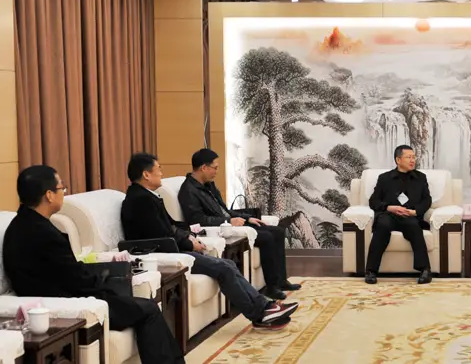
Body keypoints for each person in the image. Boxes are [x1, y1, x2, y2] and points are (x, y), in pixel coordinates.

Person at [2, 165, 185, 362]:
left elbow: (65, 270)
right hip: (66, 300)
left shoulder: (22, 224)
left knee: (139, 302)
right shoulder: (41, 233)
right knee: (148, 309)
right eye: (61, 188)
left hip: (60, 291)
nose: (63, 193)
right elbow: (75, 278)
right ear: (49, 195)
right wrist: (105, 282)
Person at [120, 153, 298, 330]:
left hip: (171, 248)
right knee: (224, 268)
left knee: (228, 264)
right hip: (164, 254)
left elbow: (171, 226)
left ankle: (264, 309)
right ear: (146, 174)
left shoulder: (147, 196)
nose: (161, 173)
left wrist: (190, 236)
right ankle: (262, 312)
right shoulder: (141, 200)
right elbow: (161, 235)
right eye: (158, 169)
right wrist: (189, 243)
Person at [177, 148, 300, 300]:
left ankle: (281, 281)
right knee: (267, 237)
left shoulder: (209, 185)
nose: (216, 171)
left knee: (278, 231)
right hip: (220, 229)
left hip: (231, 223)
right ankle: (272, 286)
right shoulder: (188, 191)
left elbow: (224, 210)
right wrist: (228, 221)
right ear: (203, 167)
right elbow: (198, 220)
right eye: (215, 168)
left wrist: (247, 218)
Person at [364, 145, 433, 285]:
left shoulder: (420, 178)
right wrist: (389, 207)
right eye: (409, 157)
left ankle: (425, 270)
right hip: (389, 215)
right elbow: (373, 201)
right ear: (398, 160)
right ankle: (371, 271)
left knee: (415, 227)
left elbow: (427, 200)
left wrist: (415, 211)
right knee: (382, 225)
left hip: (409, 215)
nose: (412, 160)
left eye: (414, 157)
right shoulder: (384, 178)